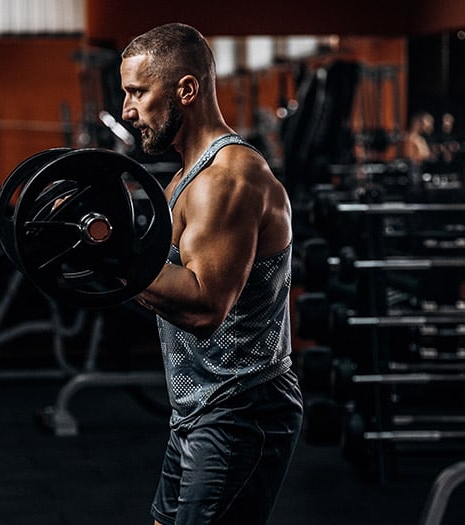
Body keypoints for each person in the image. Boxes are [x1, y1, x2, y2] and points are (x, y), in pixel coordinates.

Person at [120, 23, 304, 525]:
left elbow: (204, 307)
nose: (126, 110)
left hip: (241, 410)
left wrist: (115, 259)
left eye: (137, 92)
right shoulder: (186, 177)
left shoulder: (228, 178)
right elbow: (153, 280)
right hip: (200, 409)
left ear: (186, 89)